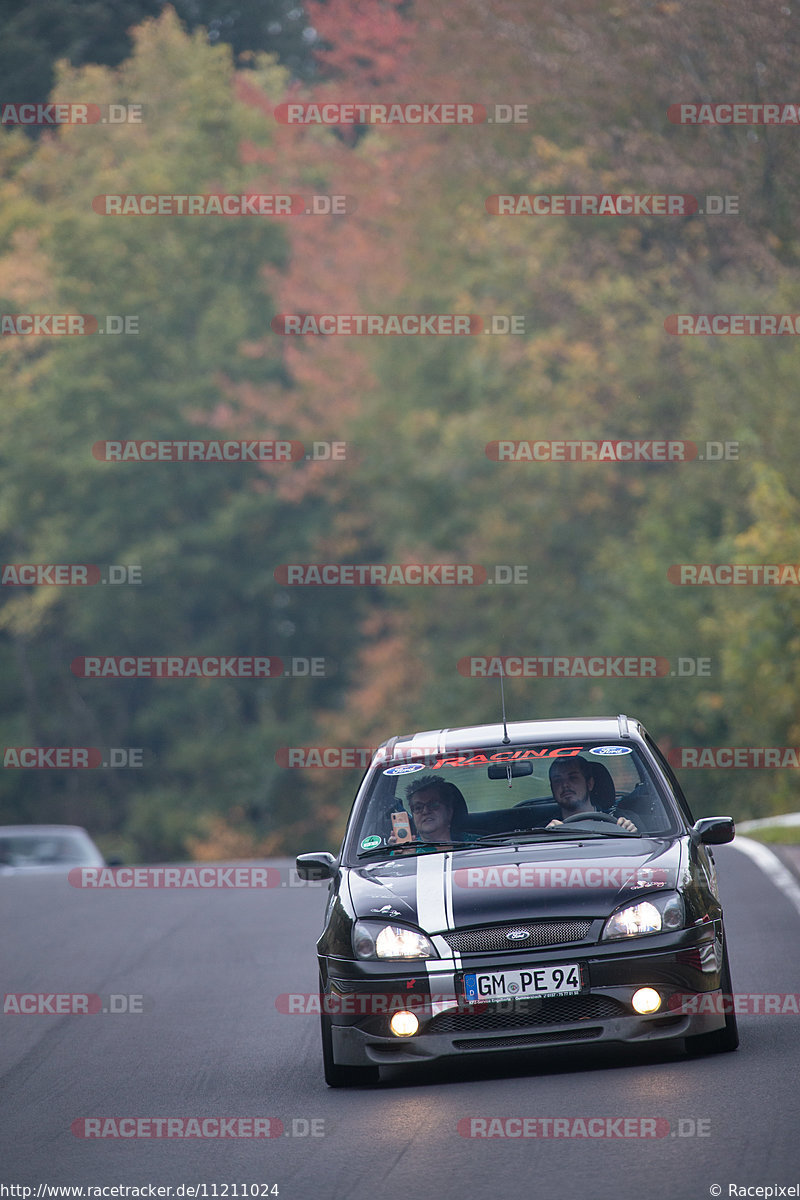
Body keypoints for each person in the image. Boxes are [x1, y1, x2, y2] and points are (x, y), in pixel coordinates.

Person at [546, 757, 637, 832]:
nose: (565, 785)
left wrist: (632, 833)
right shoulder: (544, 828)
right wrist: (546, 837)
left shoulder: (621, 820)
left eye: (573, 778)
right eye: (558, 780)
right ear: (552, 788)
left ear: (589, 784)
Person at [387, 774, 470, 847]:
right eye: (418, 808)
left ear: (449, 811)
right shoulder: (405, 849)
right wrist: (403, 856)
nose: (425, 811)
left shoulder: (476, 845)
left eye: (433, 805)